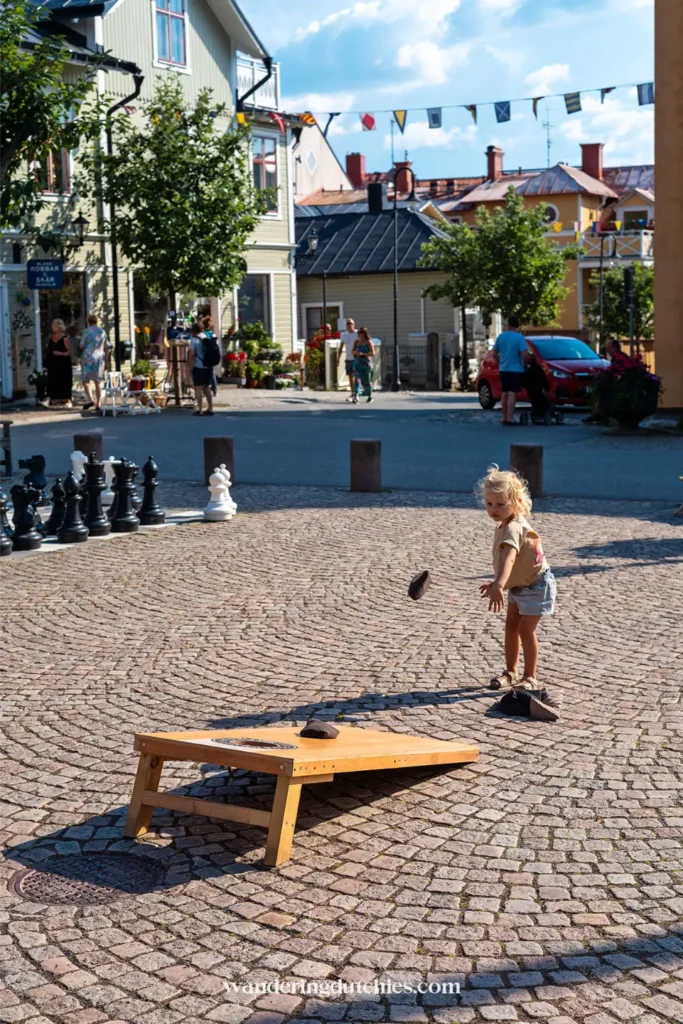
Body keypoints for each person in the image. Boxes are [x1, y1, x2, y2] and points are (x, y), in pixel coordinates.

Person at [478, 464, 556, 691]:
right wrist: (498, 583)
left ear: (516, 503)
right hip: (519, 584)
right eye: (489, 503)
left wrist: (499, 585)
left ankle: (530, 677)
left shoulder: (513, 527)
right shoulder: (504, 524)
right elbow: (511, 563)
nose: (494, 509)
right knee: (511, 627)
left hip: (536, 585)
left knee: (525, 630)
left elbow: (510, 558)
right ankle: (510, 672)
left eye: (501, 504)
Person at [492, 315, 529, 426]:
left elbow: (494, 353)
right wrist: (524, 364)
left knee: (504, 393)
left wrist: (500, 363)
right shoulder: (519, 338)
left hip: (504, 369)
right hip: (515, 369)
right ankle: (510, 418)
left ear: (508, 324)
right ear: (518, 325)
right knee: (512, 394)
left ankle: (504, 417)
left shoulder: (501, 337)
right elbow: (524, 354)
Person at [79, 313, 110, 412]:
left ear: (88, 321)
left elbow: (81, 345)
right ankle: (98, 403)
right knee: (98, 381)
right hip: (99, 357)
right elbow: (107, 347)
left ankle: (91, 399)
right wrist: (107, 361)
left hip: (88, 357)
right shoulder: (102, 332)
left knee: (85, 380)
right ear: (96, 321)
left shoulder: (86, 332)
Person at [44, 319, 73, 407]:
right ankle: (51, 399)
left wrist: (60, 353)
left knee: (64, 381)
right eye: (52, 325)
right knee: (52, 380)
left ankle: (66, 400)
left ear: (59, 327)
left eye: (54, 325)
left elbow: (70, 352)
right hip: (53, 362)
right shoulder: (51, 336)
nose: (52, 327)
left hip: (63, 363)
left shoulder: (65, 338)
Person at [188, 322, 213, 416]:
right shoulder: (208, 337)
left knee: (198, 388)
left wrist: (190, 368)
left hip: (199, 367)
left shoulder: (194, 340)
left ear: (193, 331)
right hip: (209, 366)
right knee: (207, 387)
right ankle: (210, 408)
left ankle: (200, 410)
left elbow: (191, 355)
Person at [337, 317, 358, 401]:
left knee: (357, 376)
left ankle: (357, 393)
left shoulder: (357, 334)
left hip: (357, 358)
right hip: (348, 358)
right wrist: (338, 358)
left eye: (351, 323)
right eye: (348, 324)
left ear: (354, 324)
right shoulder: (344, 335)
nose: (349, 325)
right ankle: (353, 393)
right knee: (350, 376)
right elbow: (341, 347)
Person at [352, 327, 375, 404]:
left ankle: (369, 396)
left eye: (361, 333)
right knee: (357, 379)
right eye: (358, 333)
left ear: (364, 334)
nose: (359, 334)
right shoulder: (356, 342)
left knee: (367, 380)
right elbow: (352, 351)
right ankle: (356, 395)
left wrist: (363, 354)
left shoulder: (368, 342)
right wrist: (355, 352)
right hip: (358, 364)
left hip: (366, 364)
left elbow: (373, 353)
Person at [202, 316, 219, 396]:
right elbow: (217, 343)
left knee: (204, 373)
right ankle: (215, 389)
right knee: (212, 373)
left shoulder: (203, 334)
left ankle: (205, 389)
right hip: (212, 355)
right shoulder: (213, 334)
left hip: (205, 356)